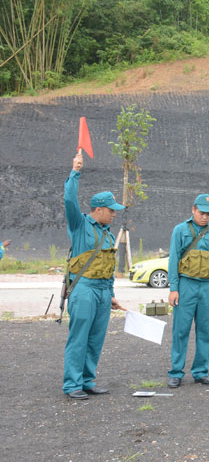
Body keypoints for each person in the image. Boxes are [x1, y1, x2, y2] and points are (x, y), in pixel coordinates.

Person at [62, 151, 126, 400]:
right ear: (98, 209)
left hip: (101, 291)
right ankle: (72, 384)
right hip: (84, 289)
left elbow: (107, 267)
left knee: (96, 338)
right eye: (111, 210)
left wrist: (111, 294)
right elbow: (69, 200)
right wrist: (75, 171)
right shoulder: (79, 225)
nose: (114, 214)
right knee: (79, 338)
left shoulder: (108, 234)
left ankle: (87, 381)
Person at [167, 194, 209, 388]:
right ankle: (176, 372)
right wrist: (173, 288)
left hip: (208, 286)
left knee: (205, 331)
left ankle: (201, 372)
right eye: (202, 212)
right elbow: (173, 260)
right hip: (186, 285)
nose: (205, 217)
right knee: (180, 331)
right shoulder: (180, 230)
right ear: (193, 210)